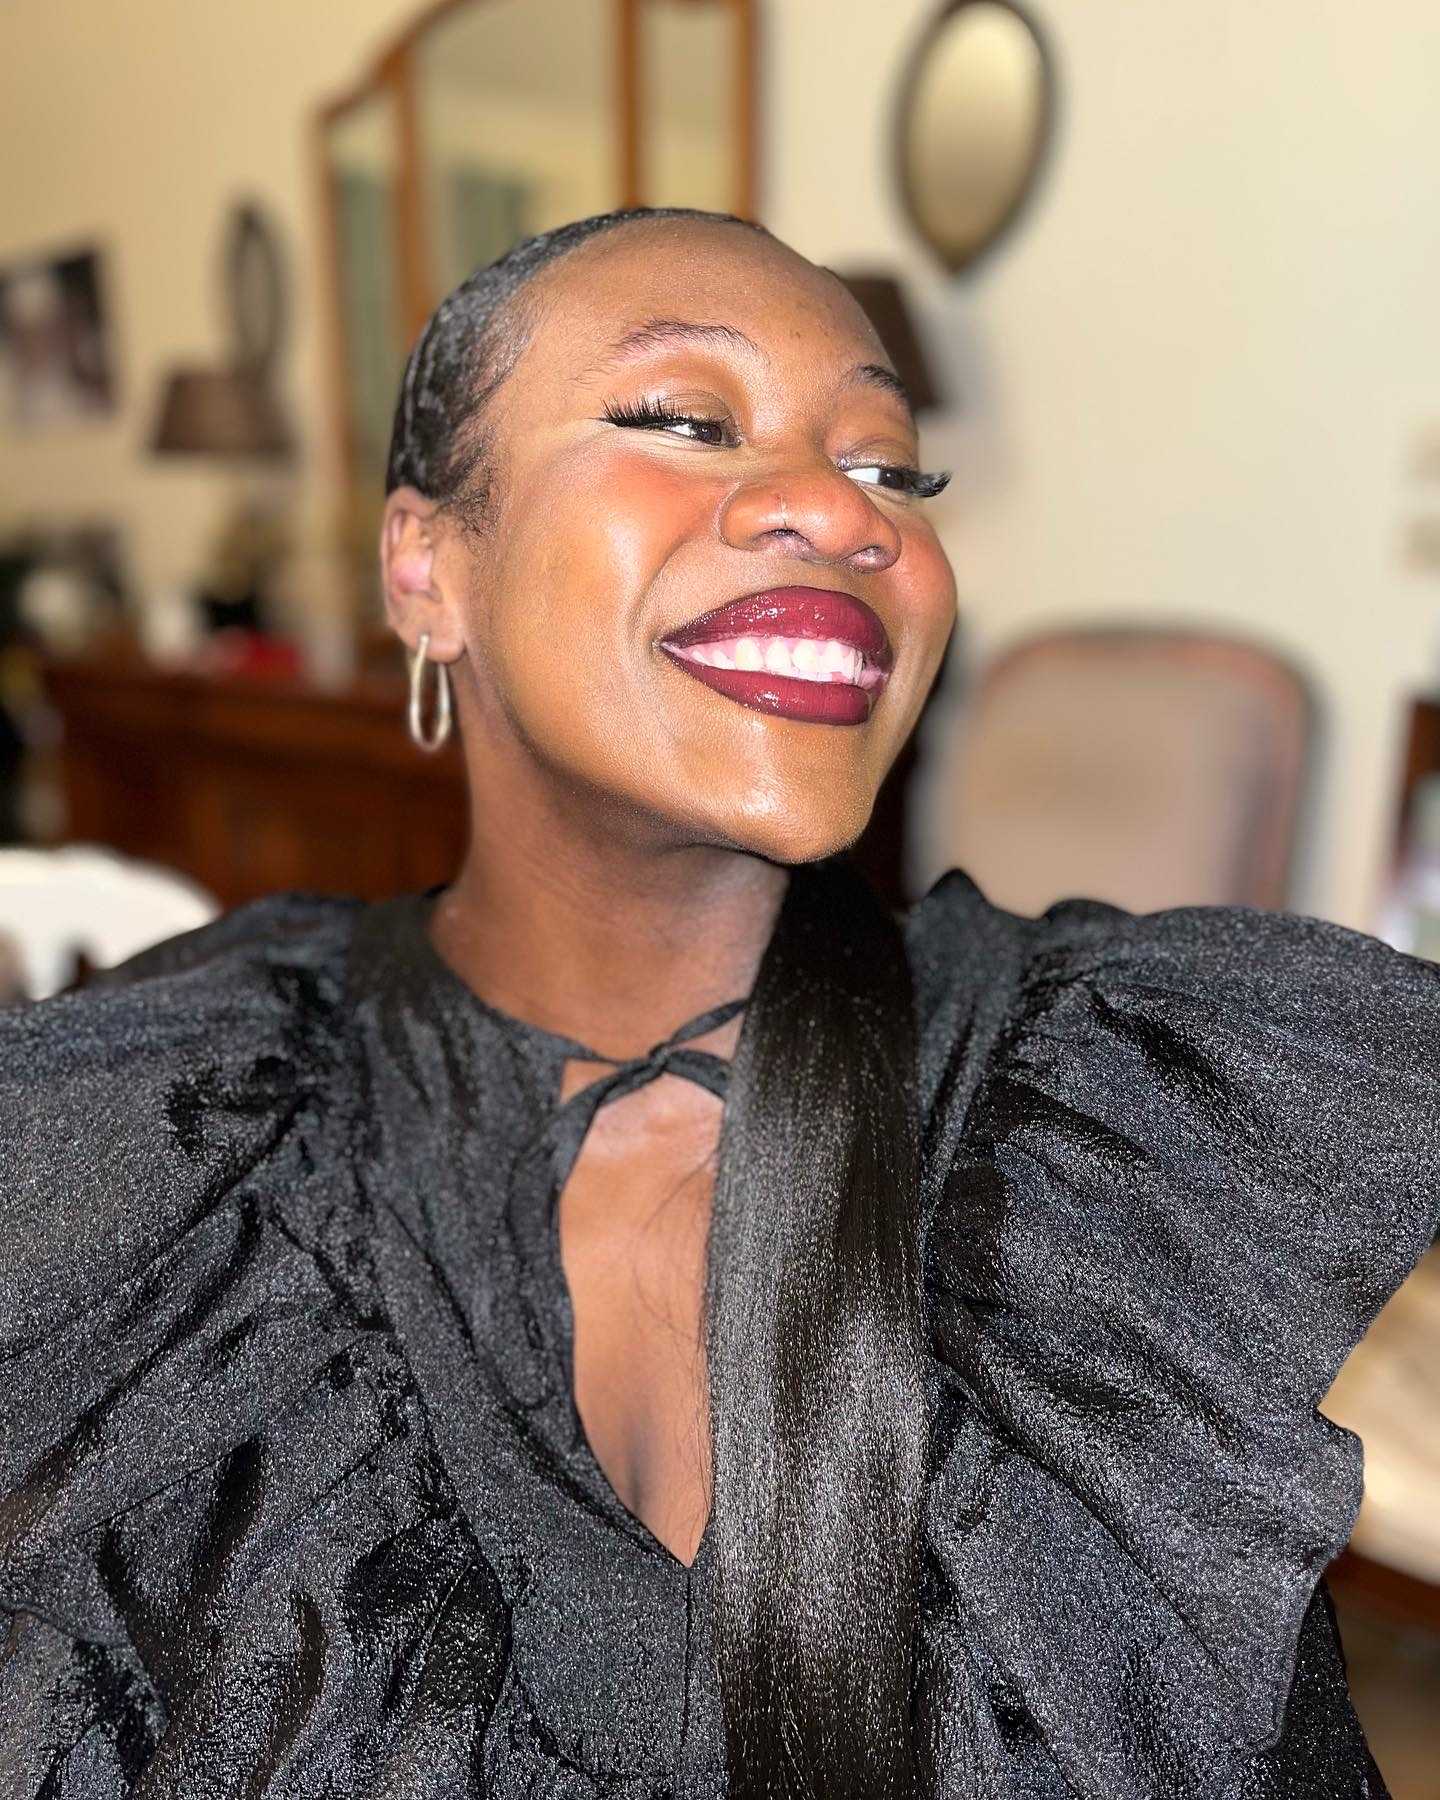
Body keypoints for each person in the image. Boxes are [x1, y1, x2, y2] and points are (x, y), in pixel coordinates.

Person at [1, 207, 1435, 1800]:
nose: (841, 507)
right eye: (687, 419)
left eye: (893, 468)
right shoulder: (172, 1144)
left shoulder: (1112, 1128)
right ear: (425, 567)